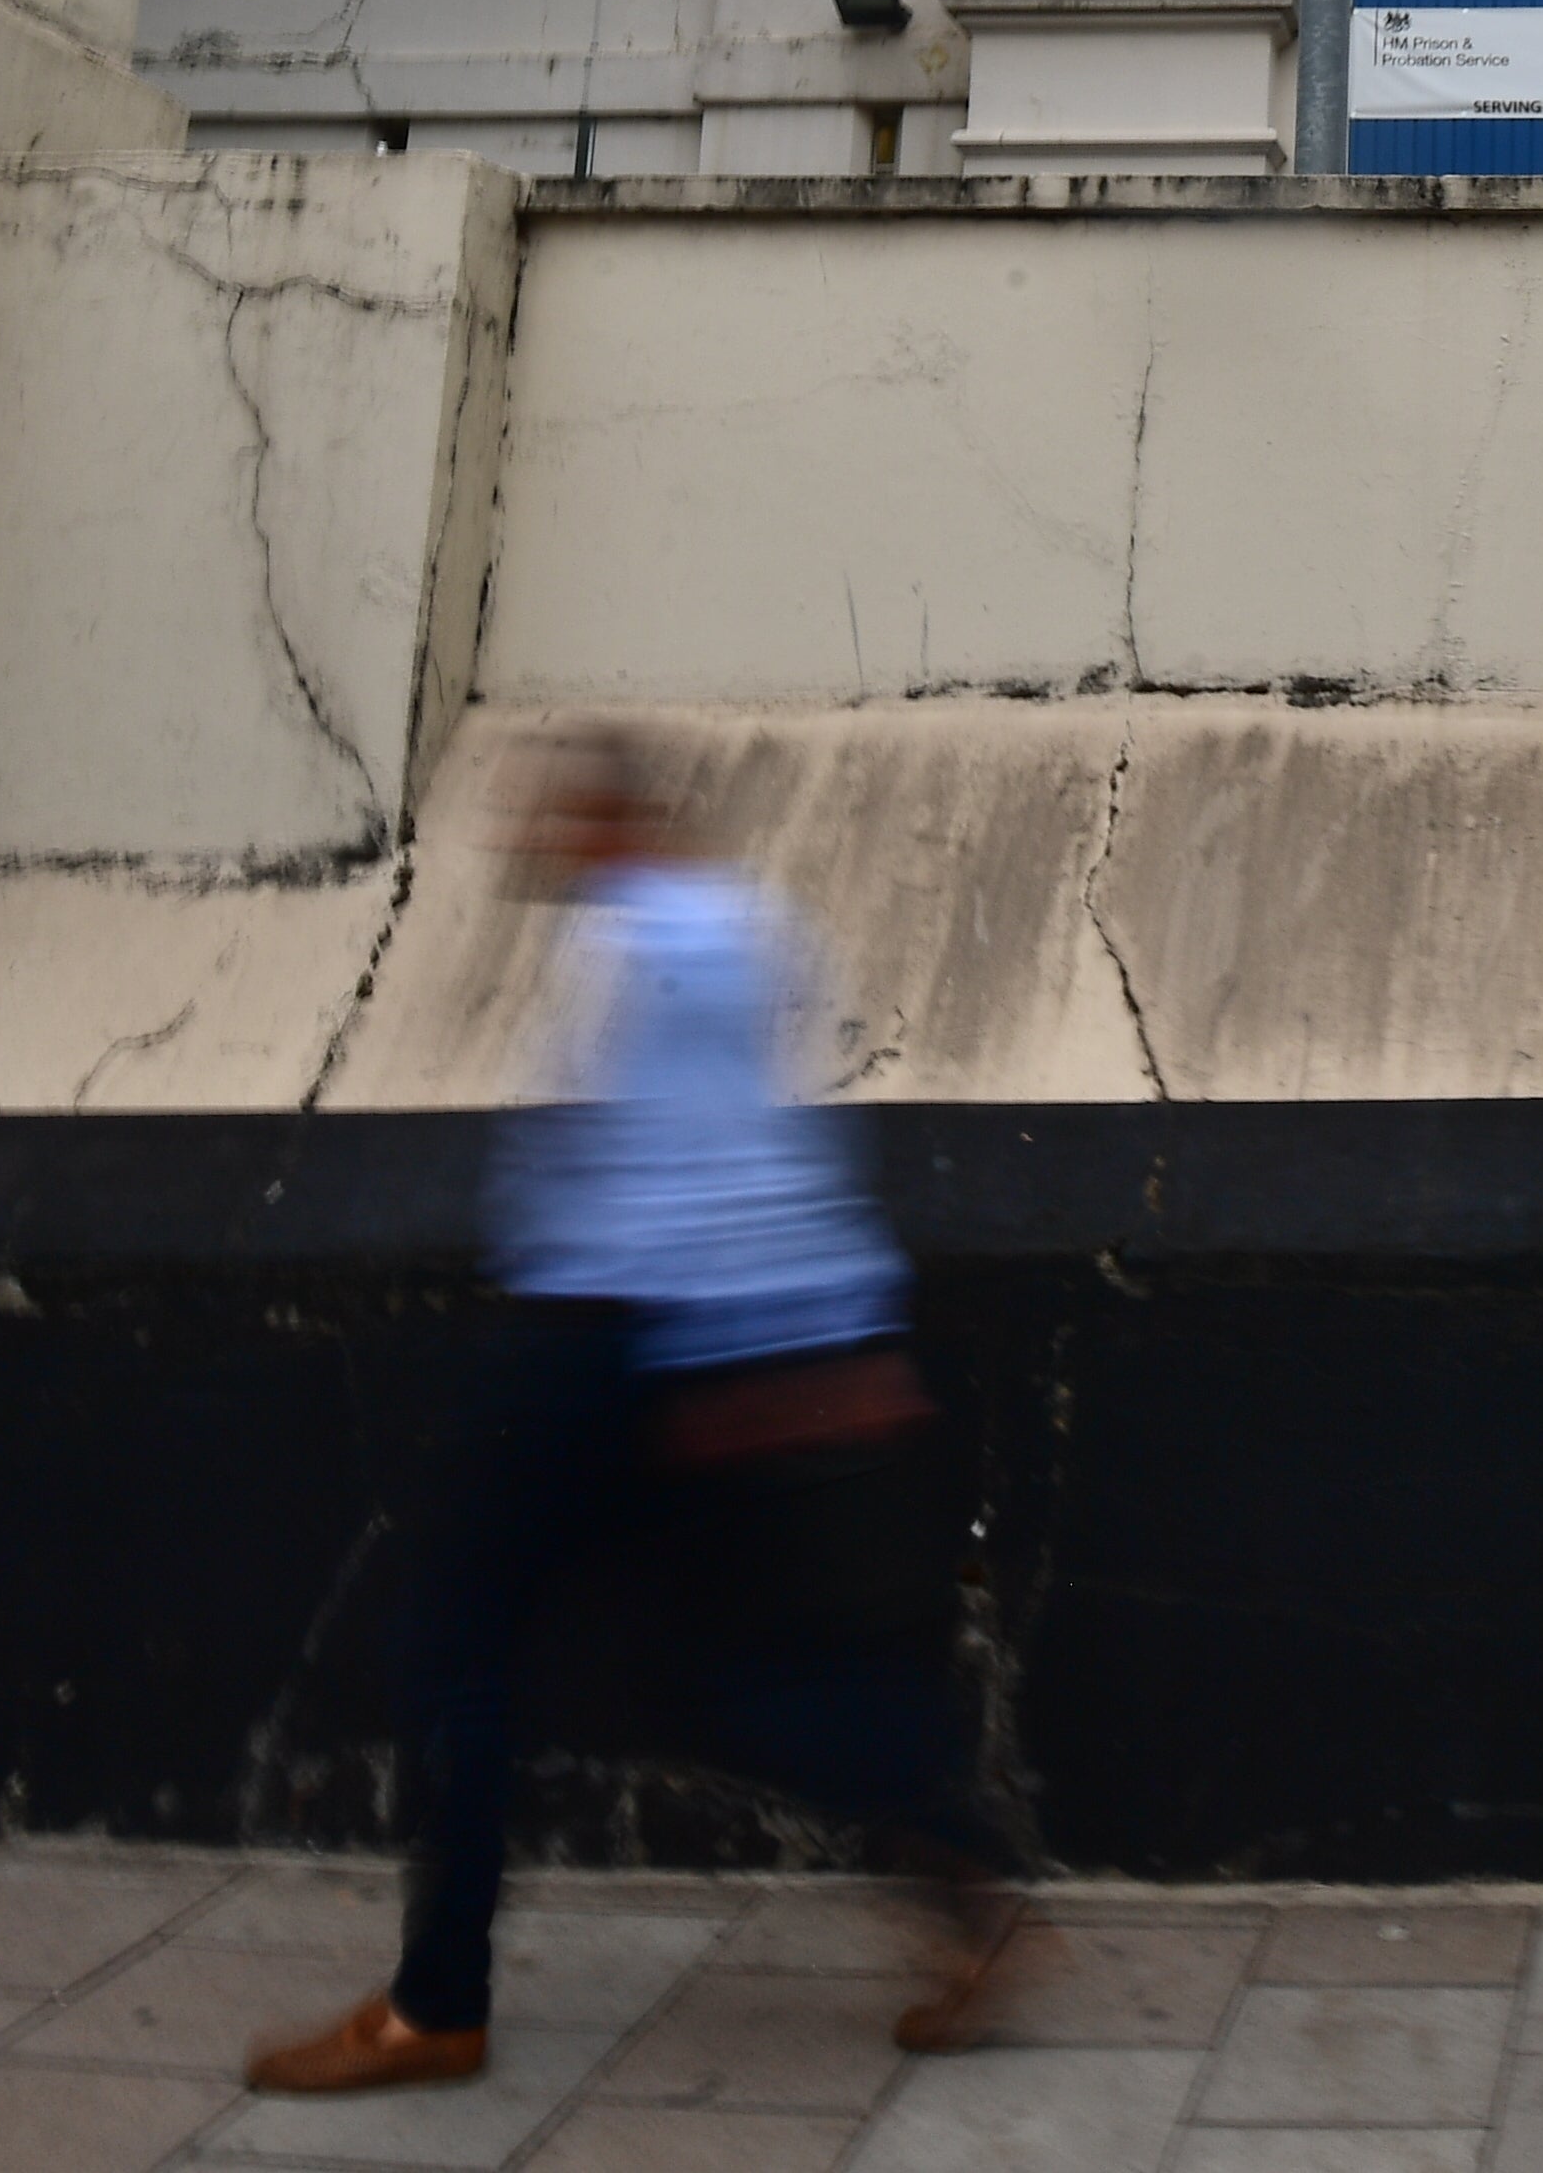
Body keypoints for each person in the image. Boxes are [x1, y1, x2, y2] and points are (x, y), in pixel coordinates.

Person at [249, 729, 1028, 2094]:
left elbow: (620, 1167)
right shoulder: (754, 925)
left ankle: (438, 2003)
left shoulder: (623, 944)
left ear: (606, 822)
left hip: (612, 1334)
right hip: (772, 1334)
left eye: (556, 816)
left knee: (453, 1640)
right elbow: (776, 1137)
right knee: (722, 1668)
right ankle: (958, 1854)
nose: (537, 841)